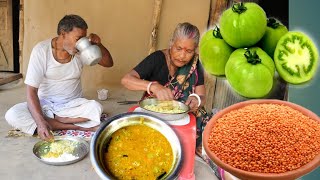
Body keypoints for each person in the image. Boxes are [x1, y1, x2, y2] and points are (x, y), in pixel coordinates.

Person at [5, 14, 113, 141]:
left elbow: (108, 63)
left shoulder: (81, 51)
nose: (81, 43)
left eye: (83, 38)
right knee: (13, 114)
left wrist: (98, 45)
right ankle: (78, 127)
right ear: (63, 34)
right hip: (45, 105)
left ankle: (55, 122)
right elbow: (31, 91)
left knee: (95, 108)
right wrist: (40, 122)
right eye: (78, 38)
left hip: (71, 106)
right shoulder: (41, 50)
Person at [121, 22, 211, 155]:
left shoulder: (195, 65)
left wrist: (196, 99)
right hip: (156, 113)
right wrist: (153, 86)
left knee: (209, 130)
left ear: (195, 50)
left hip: (183, 114)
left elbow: (202, 97)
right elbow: (126, 80)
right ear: (171, 43)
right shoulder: (157, 58)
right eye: (178, 48)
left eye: (189, 51)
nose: (182, 56)